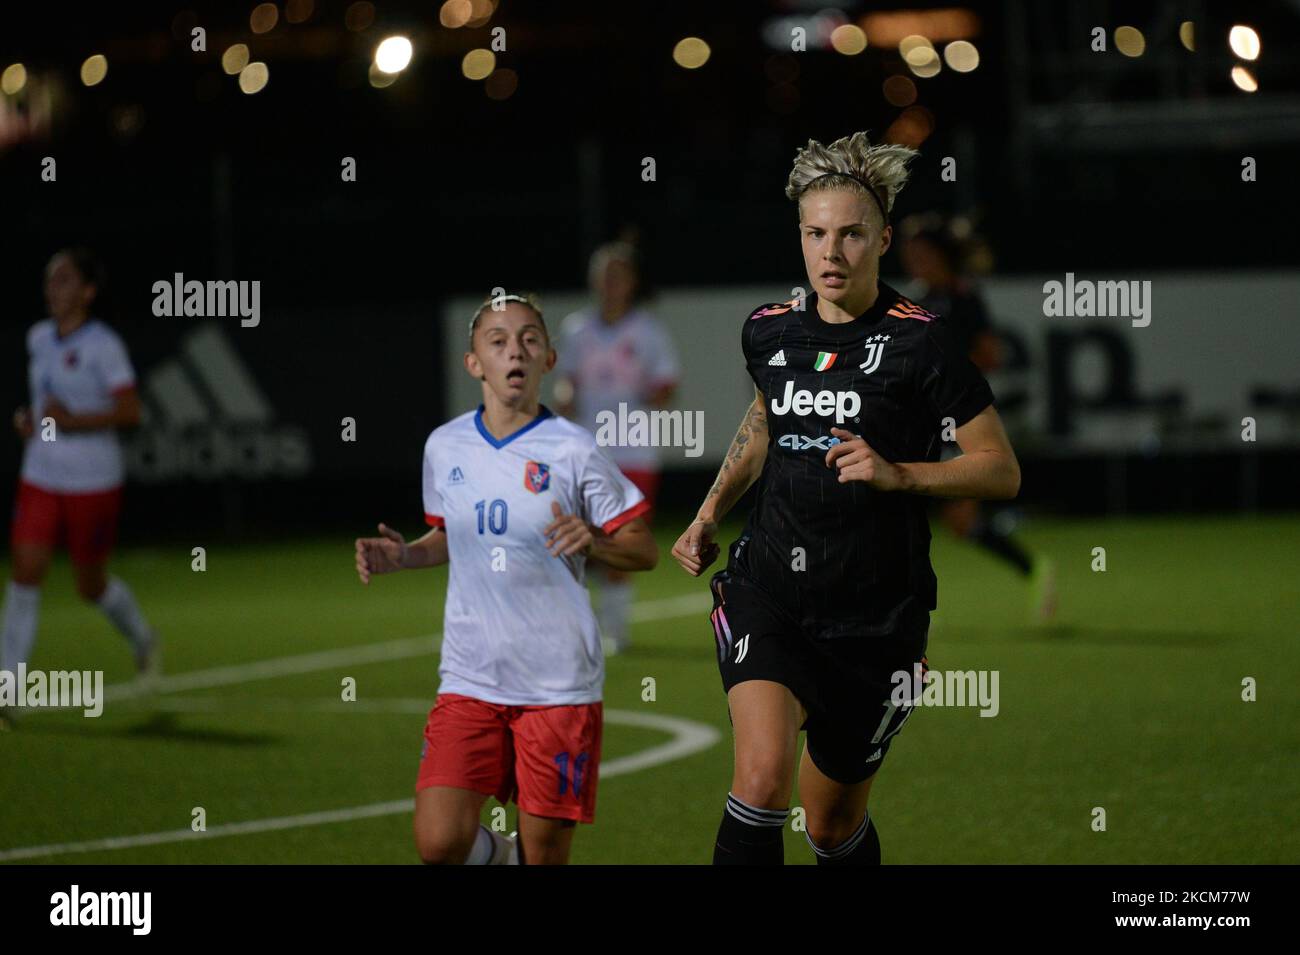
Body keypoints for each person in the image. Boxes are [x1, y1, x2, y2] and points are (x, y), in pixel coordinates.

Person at [672, 132, 1021, 865]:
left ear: (884, 237)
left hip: (877, 620)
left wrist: (900, 473)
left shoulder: (923, 345)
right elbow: (767, 421)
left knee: (829, 827)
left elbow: (998, 469)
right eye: (816, 234)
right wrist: (709, 512)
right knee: (762, 781)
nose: (832, 252)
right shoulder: (768, 331)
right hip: (768, 591)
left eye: (852, 234)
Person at [355, 292, 657, 865]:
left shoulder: (574, 449)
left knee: (545, 859)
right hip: (470, 677)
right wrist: (405, 556)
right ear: (474, 363)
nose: (514, 350)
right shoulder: (445, 447)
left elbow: (643, 549)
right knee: (439, 842)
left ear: (548, 359)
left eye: (529, 339)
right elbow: (452, 535)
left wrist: (592, 540)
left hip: (557, 685)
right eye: (498, 341)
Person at [2, 248, 160, 726]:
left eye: (66, 280)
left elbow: (130, 412)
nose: (54, 289)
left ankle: (142, 638)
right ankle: (6, 689)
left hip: (93, 480)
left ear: (88, 292)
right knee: (26, 571)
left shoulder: (103, 345)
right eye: (51, 280)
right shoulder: (38, 338)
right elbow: (45, 410)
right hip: (42, 474)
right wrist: (31, 424)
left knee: (90, 585)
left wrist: (73, 422)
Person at [898, 214, 1055, 621]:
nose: (914, 261)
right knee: (951, 518)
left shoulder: (963, 298)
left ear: (941, 256)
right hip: (921, 418)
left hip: (952, 419)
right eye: (910, 254)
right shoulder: (916, 301)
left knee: (954, 516)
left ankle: (1033, 568)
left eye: (922, 253)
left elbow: (990, 355)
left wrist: (943, 368)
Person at [553, 239, 679, 654]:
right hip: (587, 448)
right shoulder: (577, 328)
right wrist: (566, 393)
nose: (610, 283)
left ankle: (615, 630)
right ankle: (581, 622)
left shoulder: (648, 330)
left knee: (621, 540)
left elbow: (666, 383)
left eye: (618, 275)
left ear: (632, 283)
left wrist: (650, 397)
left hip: (634, 448)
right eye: (604, 274)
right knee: (582, 540)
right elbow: (565, 377)